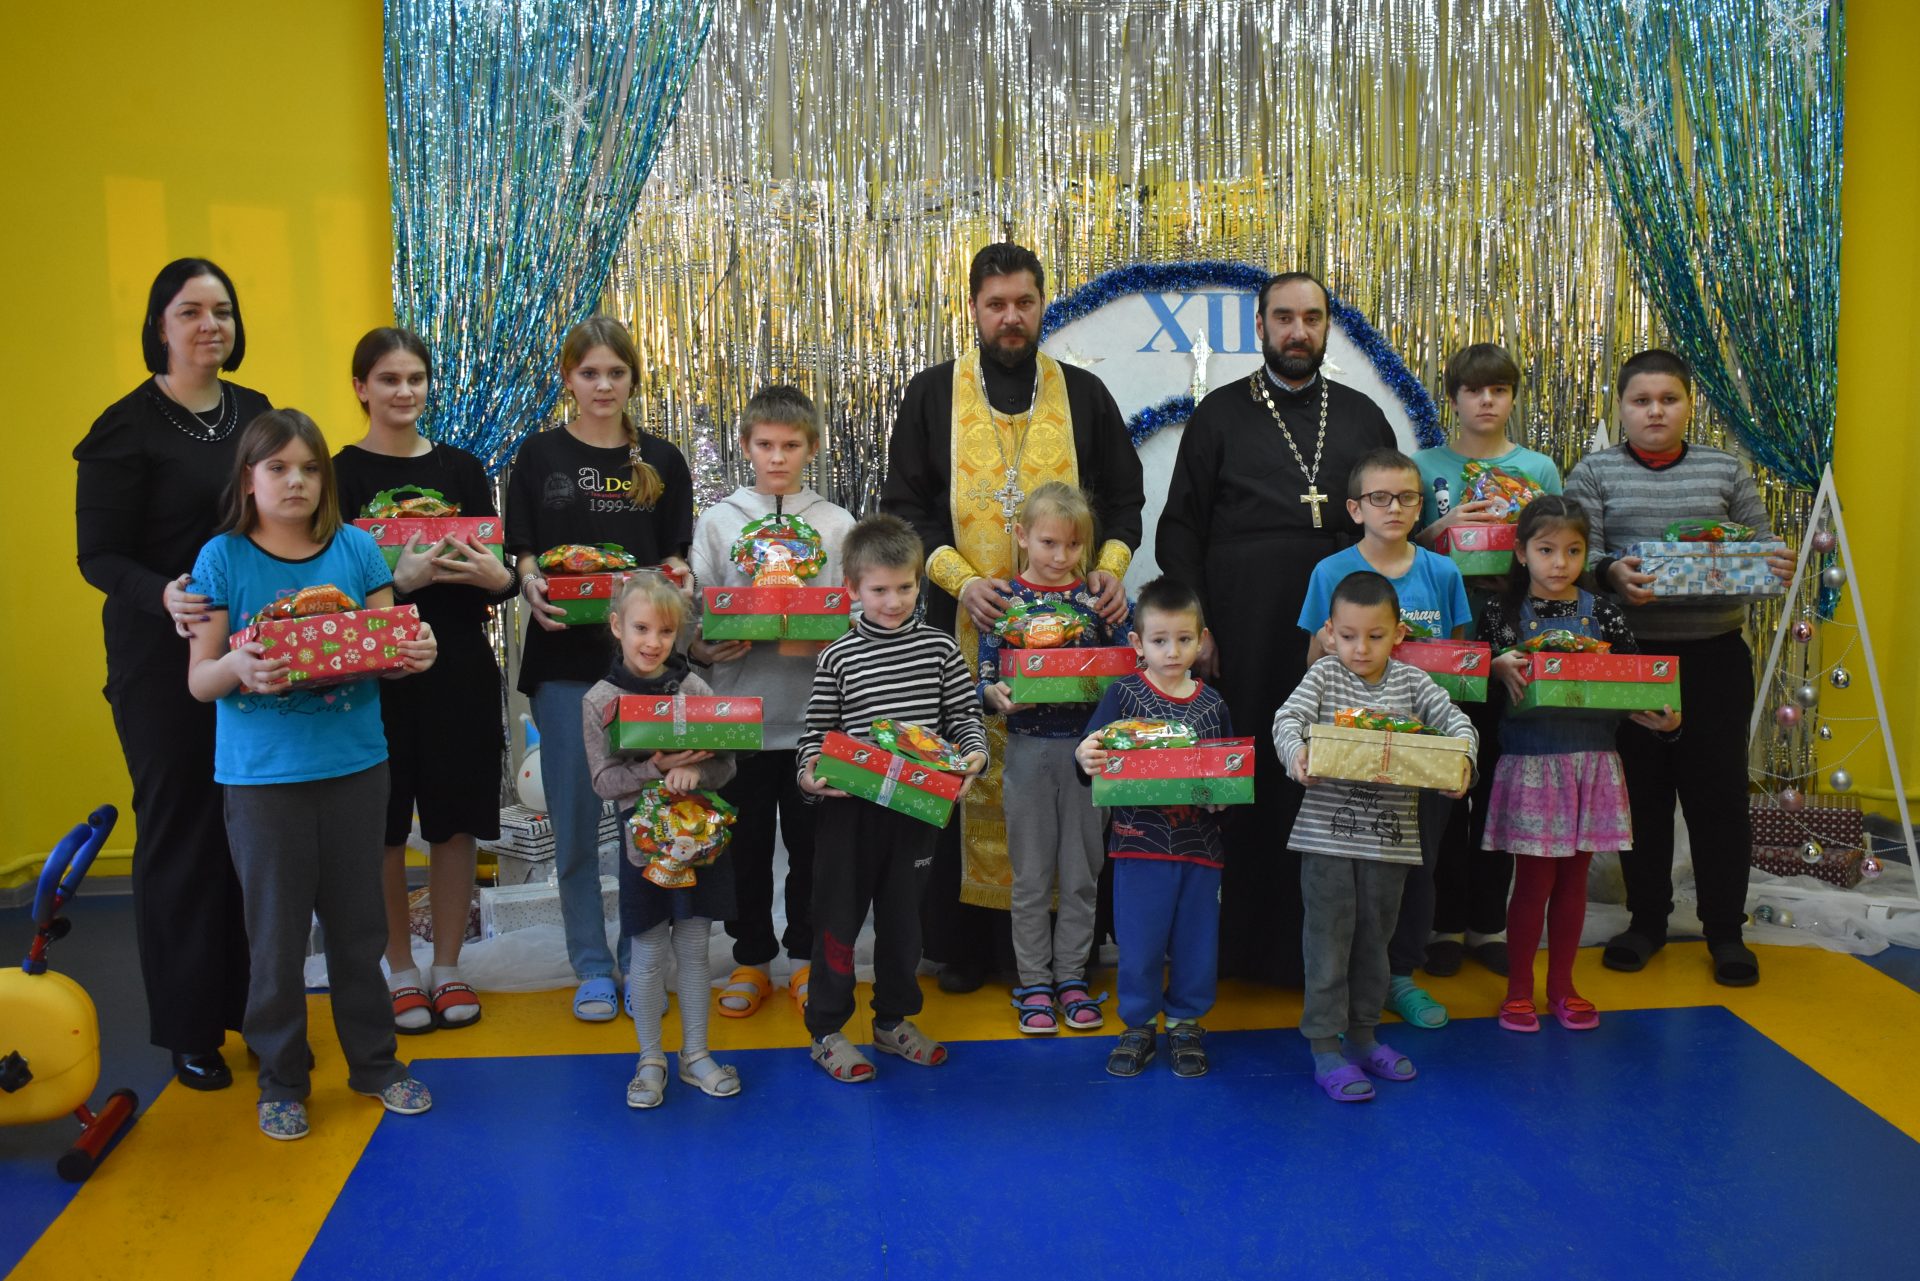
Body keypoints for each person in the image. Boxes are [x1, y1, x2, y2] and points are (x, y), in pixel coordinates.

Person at [881, 242, 1143, 994]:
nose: (1010, 317)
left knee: (1062, 785)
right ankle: (967, 946)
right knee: (969, 768)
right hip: (962, 625)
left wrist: (1109, 570)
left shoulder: (1084, 394)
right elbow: (905, 508)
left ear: (1041, 304)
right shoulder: (932, 394)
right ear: (973, 308)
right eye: (995, 304)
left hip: (1070, 636)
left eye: (1024, 302)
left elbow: (1125, 500)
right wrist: (963, 583)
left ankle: (1066, 953)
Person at [185, 409, 439, 1140]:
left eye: (308, 468)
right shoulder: (222, 558)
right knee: (276, 937)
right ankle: (282, 1079)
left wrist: (415, 654)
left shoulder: (357, 548)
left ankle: (376, 1065)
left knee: (361, 930)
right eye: (278, 468)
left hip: (356, 767)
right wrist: (237, 665)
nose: (295, 481)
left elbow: (391, 646)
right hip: (262, 780)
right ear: (248, 479)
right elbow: (199, 678)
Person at [1157, 270, 1397, 987]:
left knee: (1333, 769)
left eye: (1312, 318)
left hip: (1344, 626)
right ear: (1261, 326)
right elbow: (1180, 527)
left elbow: (1393, 519)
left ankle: (1335, 955)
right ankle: (1245, 951)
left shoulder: (1362, 416)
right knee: (1257, 773)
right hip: (1245, 620)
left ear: (1327, 326)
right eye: (1284, 318)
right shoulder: (1219, 415)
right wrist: (1200, 626)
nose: (1298, 331)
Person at [74, 258, 270, 1091]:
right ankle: (191, 1028)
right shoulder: (125, 427)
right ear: (160, 324)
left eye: (221, 310)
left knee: (250, 834)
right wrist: (162, 594)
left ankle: (257, 1010)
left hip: (249, 650)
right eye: (190, 311)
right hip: (161, 659)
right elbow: (97, 556)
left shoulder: (255, 412)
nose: (208, 325)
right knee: (184, 833)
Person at [1563, 349, 1793, 986]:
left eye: (1669, 399)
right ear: (1621, 408)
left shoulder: (1725, 469)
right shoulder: (1595, 472)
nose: (1655, 412)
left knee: (1719, 796)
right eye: (1641, 401)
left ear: (1689, 404)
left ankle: (1725, 932)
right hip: (1629, 658)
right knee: (1642, 794)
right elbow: (1580, 558)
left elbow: (1759, 545)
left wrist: (1771, 561)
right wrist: (1610, 573)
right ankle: (1646, 923)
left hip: (1714, 655)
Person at [506, 317, 694, 1021]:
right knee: (577, 822)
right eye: (590, 373)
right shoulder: (538, 454)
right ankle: (590, 964)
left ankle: (640, 957)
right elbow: (524, 553)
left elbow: (675, 555)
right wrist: (529, 582)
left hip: (646, 670)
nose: (603, 385)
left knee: (648, 817)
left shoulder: (663, 460)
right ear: (569, 379)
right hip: (563, 665)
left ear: (633, 379)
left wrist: (677, 576)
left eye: (616, 372)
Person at [334, 327, 516, 1034]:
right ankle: (400, 969)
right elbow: (325, 590)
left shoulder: (463, 468)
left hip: (459, 663)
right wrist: (397, 584)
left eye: (415, 378)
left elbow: (495, 569)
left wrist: (502, 579)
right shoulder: (337, 474)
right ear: (361, 388)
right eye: (388, 379)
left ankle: (447, 965)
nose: (404, 391)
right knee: (381, 825)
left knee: (455, 817)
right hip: (374, 672)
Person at [795, 514, 988, 1082]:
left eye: (905, 587)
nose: (894, 601)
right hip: (849, 815)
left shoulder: (940, 649)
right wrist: (809, 775)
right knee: (837, 923)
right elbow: (815, 735)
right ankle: (825, 1031)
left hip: (917, 812)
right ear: (852, 588)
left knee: (905, 924)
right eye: (879, 589)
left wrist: (973, 756)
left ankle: (893, 1020)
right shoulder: (837, 656)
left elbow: (964, 716)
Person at [1271, 572, 1476, 1103]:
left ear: (1399, 633)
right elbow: (1286, 719)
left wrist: (1463, 763)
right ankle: (1325, 1047)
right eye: (1347, 636)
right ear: (1329, 633)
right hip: (1326, 842)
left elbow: (1459, 725)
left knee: (1374, 944)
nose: (1360, 648)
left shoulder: (1413, 684)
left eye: (1375, 636)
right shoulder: (1323, 676)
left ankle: (1362, 1037)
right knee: (1327, 943)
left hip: (1390, 845)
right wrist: (1296, 754)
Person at [1480, 497, 1681, 1032]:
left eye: (1573, 551)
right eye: (1546, 550)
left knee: (1573, 882)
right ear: (1521, 553)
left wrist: (1664, 717)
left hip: (1593, 763)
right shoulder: (1502, 613)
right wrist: (1494, 667)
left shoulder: (1605, 611)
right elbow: (1480, 689)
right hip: (1532, 763)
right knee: (1533, 883)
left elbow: (1636, 683)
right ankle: (1518, 990)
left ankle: (1562, 987)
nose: (1560, 563)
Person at [689, 385, 855, 1022]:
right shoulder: (718, 521)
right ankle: (751, 959)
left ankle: (807, 958)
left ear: (812, 448)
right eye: (765, 444)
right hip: (739, 720)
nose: (777, 457)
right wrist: (703, 646)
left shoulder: (837, 524)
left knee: (814, 852)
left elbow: (859, 610)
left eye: (790, 445)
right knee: (745, 850)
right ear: (746, 446)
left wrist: (832, 632)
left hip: (816, 721)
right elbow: (695, 612)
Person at [1296, 448, 1471, 1031]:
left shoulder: (1443, 573)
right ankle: (1341, 986)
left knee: (1416, 866)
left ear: (1422, 505)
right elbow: (1312, 666)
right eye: (1380, 497)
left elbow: (1459, 666)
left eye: (1407, 497)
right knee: (1347, 882)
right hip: (1348, 763)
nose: (1394, 507)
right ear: (1356, 508)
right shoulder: (1329, 572)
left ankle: (1400, 975)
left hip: (1422, 759)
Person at [1414, 343, 1564, 981]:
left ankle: (1488, 923)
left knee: (1504, 783)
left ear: (1512, 398)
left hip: (1518, 644)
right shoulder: (1424, 467)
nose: (1486, 401)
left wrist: (1521, 562)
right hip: (1442, 644)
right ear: (1453, 398)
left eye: (1498, 390)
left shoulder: (1539, 468)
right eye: (1474, 390)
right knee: (1448, 783)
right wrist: (1445, 526)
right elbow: (1400, 549)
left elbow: (1560, 550)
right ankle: (1444, 922)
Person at [583, 575, 739, 1107]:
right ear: (616, 626)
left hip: (701, 848)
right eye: (641, 628)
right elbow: (604, 782)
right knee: (647, 956)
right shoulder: (600, 700)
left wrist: (697, 774)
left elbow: (726, 764)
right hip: (642, 853)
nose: (653, 642)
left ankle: (695, 1055)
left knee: (694, 953)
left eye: (665, 632)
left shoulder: (695, 689)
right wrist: (655, 767)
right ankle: (650, 1058)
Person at [979, 482, 1123, 1035]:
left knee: (1083, 874)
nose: (1061, 556)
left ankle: (1072, 979)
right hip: (1028, 751)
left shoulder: (1097, 602)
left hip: (1090, 755)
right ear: (1021, 536)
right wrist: (993, 696)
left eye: (1073, 545)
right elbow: (985, 676)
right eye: (1048, 543)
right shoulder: (1005, 601)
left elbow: (1128, 666)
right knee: (1033, 877)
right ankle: (1035, 982)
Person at [1073, 577, 1232, 1078]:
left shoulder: (1213, 705)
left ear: (1201, 641)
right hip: (1138, 847)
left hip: (1200, 850)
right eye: (1160, 640)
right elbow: (1088, 758)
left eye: (1184, 639)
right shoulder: (1123, 696)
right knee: (1139, 945)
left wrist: (1224, 796)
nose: (1173, 651)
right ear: (1137, 643)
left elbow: (1227, 776)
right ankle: (1138, 1025)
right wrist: (1085, 755)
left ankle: (1185, 1023)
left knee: (1196, 945)